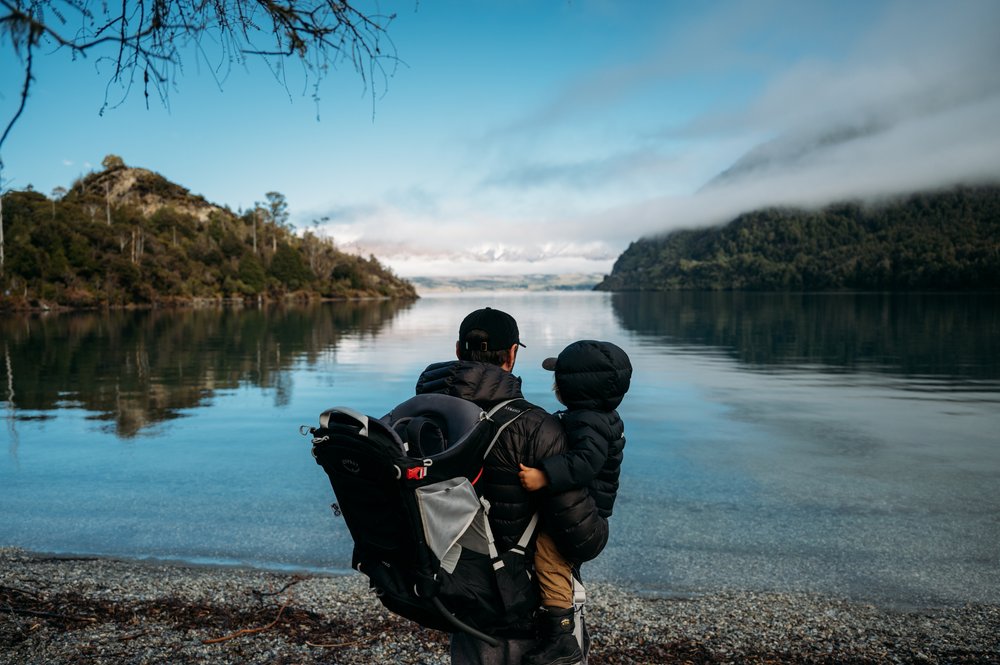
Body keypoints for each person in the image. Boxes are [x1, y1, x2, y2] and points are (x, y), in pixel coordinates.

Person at [415, 307, 608, 665]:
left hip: (458, 600)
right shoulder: (538, 427)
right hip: (528, 614)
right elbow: (582, 538)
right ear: (513, 355)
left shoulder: (419, 418)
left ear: (459, 351)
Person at [517, 340, 632, 665]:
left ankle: (561, 639)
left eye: (559, 380)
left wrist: (544, 475)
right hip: (588, 515)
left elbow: (585, 463)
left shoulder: (588, 423)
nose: (554, 385)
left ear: (573, 388)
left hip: (585, 521)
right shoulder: (598, 417)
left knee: (548, 555)